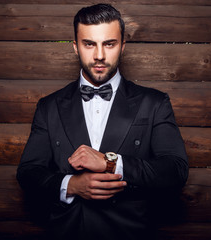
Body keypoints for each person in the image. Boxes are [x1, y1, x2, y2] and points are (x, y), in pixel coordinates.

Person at [17, 3, 188, 240]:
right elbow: (28, 173)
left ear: (122, 46)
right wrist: (71, 185)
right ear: (76, 47)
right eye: (89, 44)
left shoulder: (154, 102)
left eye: (109, 44)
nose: (99, 55)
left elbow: (176, 172)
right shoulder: (49, 106)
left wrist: (111, 163)